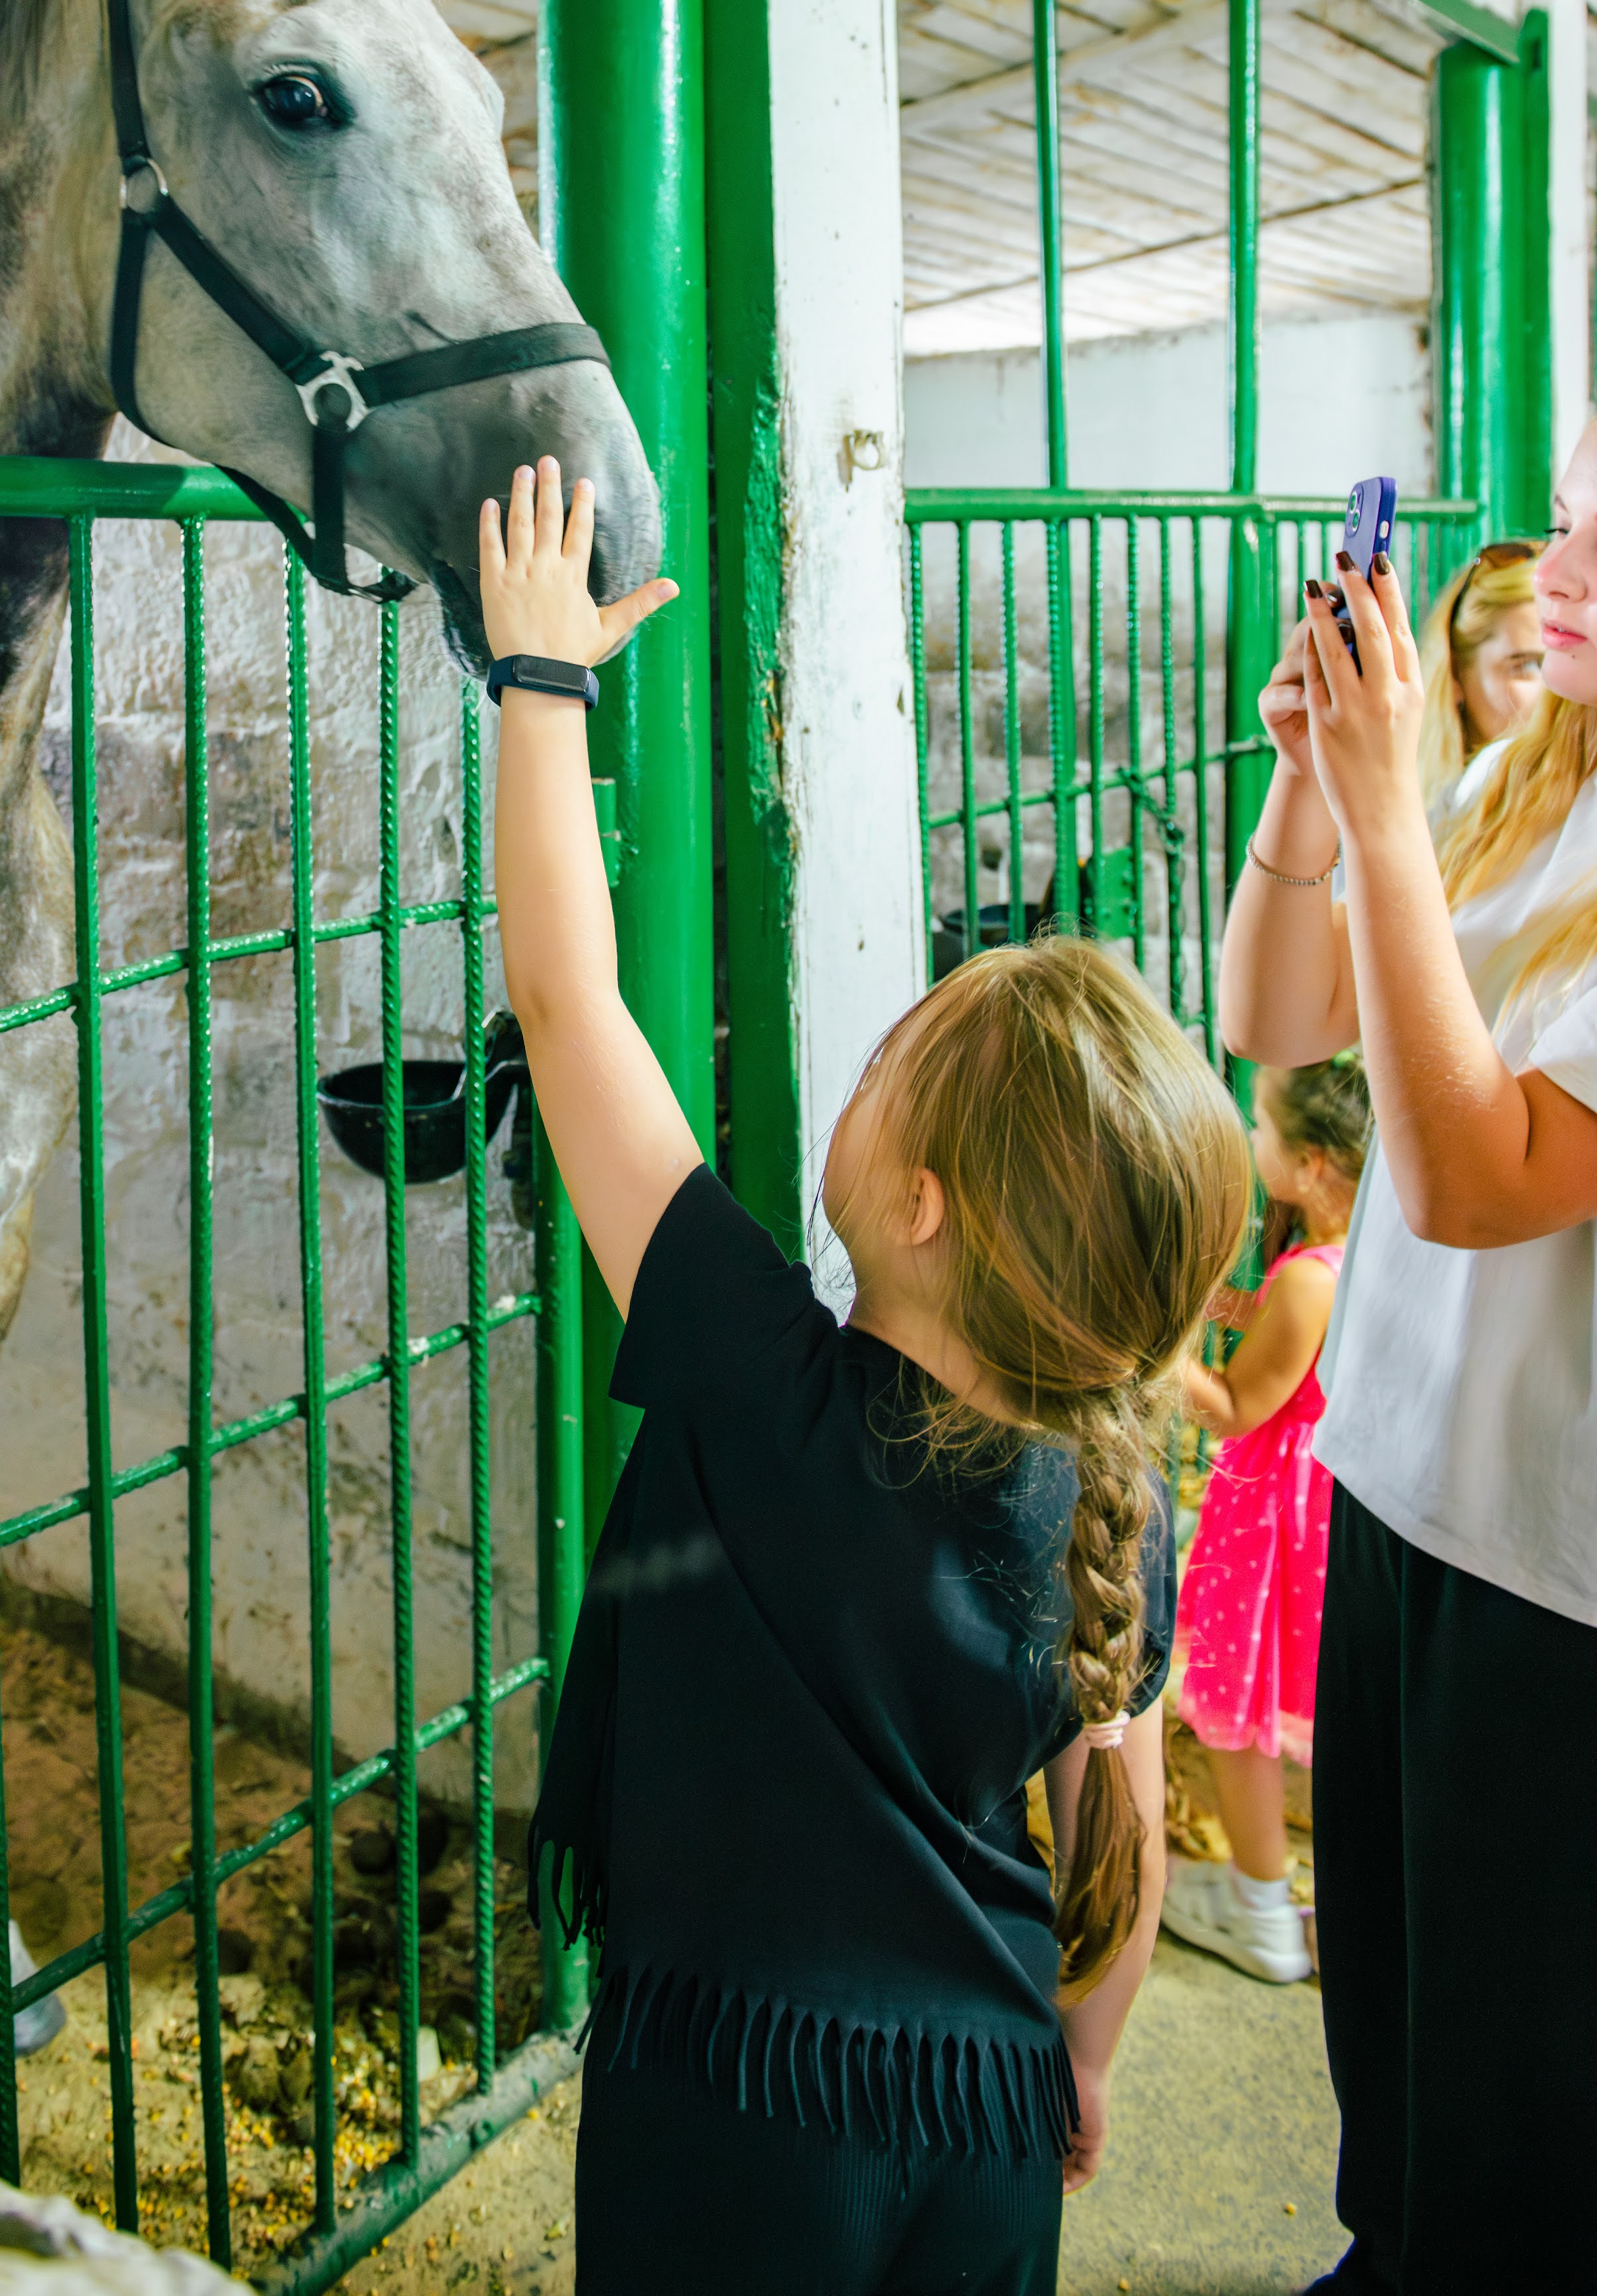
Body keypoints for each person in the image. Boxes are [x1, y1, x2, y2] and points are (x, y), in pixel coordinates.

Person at [487, 456, 1252, 2296]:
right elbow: (1116, 1841)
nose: (867, 1052)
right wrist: (1079, 2057)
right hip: (988, 2106)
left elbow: (572, 1007)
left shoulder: (758, 1376)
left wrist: (536, 680)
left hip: (738, 2100)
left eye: (892, 1051)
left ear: (917, 1199)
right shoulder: (1111, 1498)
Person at [1219, 426, 1597, 2296]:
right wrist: (1310, 781)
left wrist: (1382, 812)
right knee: (1388, 2001)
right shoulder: (1530, 785)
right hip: (1394, 1484)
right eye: (1581, 506)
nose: (1567, 571)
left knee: (1525, 2073)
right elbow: (1276, 1012)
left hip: (1554, 1577)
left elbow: (1466, 1180)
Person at [1160, 1054, 1370, 1986]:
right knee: (1297, 1710)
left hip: (1268, 1520)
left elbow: (1238, 1406)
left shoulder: (1307, 1282)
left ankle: (1259, 1911)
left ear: (1314, 1163)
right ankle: (1319, 1902)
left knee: (1236, 1714)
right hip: (1322, 1514)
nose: (1253, 1141)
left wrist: (1158, 1347)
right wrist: (1234, 1305)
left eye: (1263, 1129)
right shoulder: (1356, 1249)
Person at [1414, 536, 1542, 804]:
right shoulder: (1421, 810)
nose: (1561, 691)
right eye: (1528, 666)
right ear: (1456, 673)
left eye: (1571, 658)